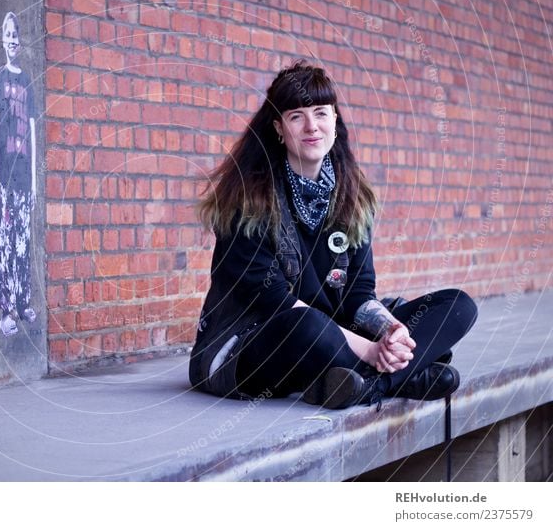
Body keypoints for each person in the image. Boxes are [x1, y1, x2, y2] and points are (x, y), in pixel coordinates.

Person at [190, 60, 478, 409]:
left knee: (458, 307)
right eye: (297, 116)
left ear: (335, 121)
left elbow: (358, 293)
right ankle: (400, 379)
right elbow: (275, 302)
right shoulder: (247, 200)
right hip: (254, 347)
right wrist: (371, 350)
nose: (312, 126)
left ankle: (363, 384)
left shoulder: (353, 198)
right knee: (309, 325)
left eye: (321, 113)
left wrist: (390, 332)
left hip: (335, 340)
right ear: (280, 128)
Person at [0, 12, 38, 336]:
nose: (11, 39)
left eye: (14, 34)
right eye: (6, 34)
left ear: (20, 41)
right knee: (5, 244)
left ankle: (23, 303)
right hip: (4, 179)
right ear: (3, 39)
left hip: (23, 179)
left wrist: (34, 182)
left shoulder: (26, 81)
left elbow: (32, 132)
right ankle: (6, 308)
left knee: (23, 242)